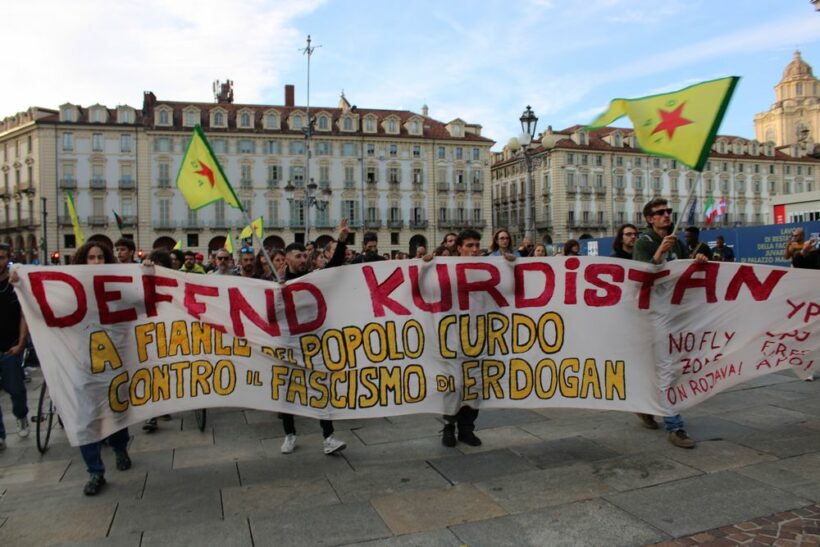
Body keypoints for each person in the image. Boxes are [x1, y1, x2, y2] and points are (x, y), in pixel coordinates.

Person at [633, 197, 707, 449]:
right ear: (650, 219)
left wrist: (697, 262)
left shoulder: (678, 242)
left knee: (667, 366)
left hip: (676, 311)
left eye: (668, 211)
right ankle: (675, 427)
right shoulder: (644, 242)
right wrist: (659, 253)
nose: (666, 215)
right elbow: (641, 276)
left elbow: (684, 269)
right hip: (654, 314)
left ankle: (646, 406)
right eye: (660, 212)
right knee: (666, 367)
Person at [279, 219, 350, 456]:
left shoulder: (313, 277)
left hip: (313, 343)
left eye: (304, 256)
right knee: (287, 392)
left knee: (321, 388)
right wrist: (278, 292)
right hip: (288, 345)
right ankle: (289, 434)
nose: (303, 259)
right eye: (297, 256)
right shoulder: (276, 283)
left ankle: (328, 437)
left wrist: (341, 241)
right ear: (287, 259)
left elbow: (335, 265)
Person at [72, 241, 132, 495]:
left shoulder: (119, 288)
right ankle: (95, 471)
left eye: (100, 257)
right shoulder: (70, 290)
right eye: (91, 258)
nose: (96, 262)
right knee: (86, 420)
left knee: (118, 412)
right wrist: (20, 282)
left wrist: (149, 273)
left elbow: (144, 300)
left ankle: (120, 448)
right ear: (83, 261)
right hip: (84, 366)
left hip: (114, 364)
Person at [0, 243, 30, 451]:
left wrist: (21, 342)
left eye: (2, 257)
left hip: (10, 346)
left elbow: (23, 314)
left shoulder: (14, 283)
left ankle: (21, 415)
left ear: (8, 258)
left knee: (16, 390)